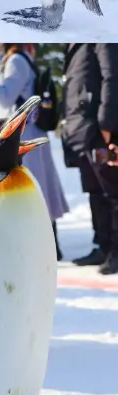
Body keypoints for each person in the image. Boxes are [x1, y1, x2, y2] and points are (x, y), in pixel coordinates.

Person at [0, 44, 68, 259]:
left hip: (22, 134)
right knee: (31, 189)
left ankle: (49, 246)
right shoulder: (8, 61)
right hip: (16, 135)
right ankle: (41, 245)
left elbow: (4, 98)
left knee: (35, 189)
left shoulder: (17, 62)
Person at [61, 44, 118, 273]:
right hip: (83, 129)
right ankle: (103, 245)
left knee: (113, 193)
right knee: (95, 191)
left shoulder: (102, 37)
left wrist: (107, 125)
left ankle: (116, 249)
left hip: (99, 130)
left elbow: (112, 75)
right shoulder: (77, 42)